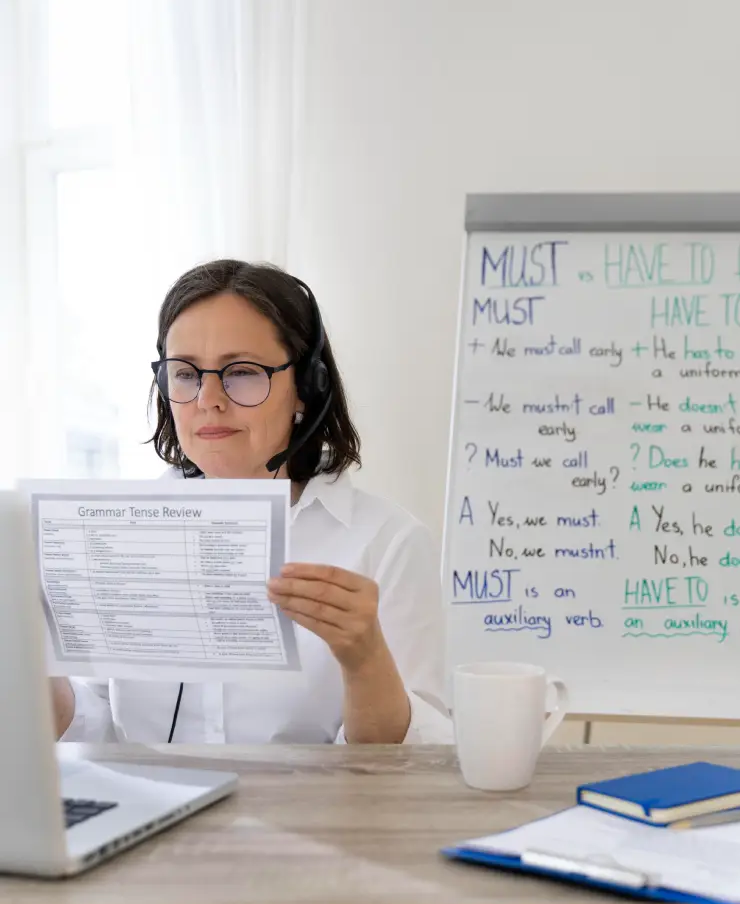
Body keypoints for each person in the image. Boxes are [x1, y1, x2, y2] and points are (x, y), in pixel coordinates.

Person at [52, 260, 452, 744]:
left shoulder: (388, 543)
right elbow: (91, 730)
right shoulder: (117, 533)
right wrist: (29, 653)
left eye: (241, 372)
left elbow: (412, 764)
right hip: (155, 814)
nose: (208, 399)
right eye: (185, 373)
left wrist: (364, 658)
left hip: (313, 819)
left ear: (305, 388)